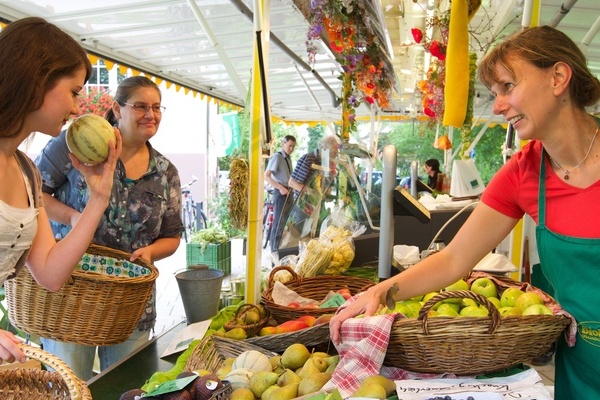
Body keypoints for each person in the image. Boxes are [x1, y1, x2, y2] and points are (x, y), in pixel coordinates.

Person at [330, 25, 600, 398]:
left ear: (557, 78)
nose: (498, 105)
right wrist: (379, 291)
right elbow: (454, 258)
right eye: (494, 93)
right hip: (582, 373)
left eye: (508, 86)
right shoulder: (524, 173)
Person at [35, 76, 183, 380]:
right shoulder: (73, 143)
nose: (150, 115)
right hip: (71, 295)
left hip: (130, 305)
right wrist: (74, 219)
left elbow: (172, 236)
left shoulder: (166, 172)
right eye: (140, 106)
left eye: (156, 107)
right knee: (70, 388)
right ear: (116, 108)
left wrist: (152, 251)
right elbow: (33, 193)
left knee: (125, 387)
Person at [0, 17, 120, 365]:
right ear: (37, 79)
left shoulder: (26, 172)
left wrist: (98, 197)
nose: (77, 108)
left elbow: (50, 274)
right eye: (74, 91)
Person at [264, 135, 296, 250]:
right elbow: (266, 176)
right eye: (289, 146)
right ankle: (274, 252)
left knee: (284, 225)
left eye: (293, 147)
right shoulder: (277, 157)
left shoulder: (288, 158)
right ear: (283, 144)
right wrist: (280, 188)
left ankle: (281, 251)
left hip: (288, 192)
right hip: (281, 193)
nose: (291, 149)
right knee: (277, 225)